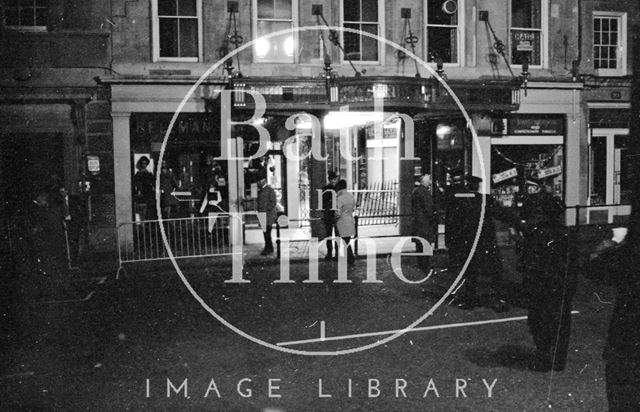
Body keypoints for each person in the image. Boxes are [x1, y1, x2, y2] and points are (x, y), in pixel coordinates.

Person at [518, 178, 573, 372]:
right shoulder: (566, 234)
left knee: (540, 321)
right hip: (561, 286)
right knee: (560, 322)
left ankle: (543, 359)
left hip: (542, 286)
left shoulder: (538, 235)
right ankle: (558, 360)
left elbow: (531, 263)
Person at [586, 223, 640, 410]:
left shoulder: (632, 251)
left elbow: (595, 266)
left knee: (624, 394)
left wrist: (615, 240)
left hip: (629, 339)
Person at [454, 175, 504, 310]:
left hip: (470, 239)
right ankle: (497, 299)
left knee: (471, 271)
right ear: (478, 186)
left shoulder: (461, 200)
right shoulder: (486, 199)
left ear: (467, 185)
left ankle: (469, 301)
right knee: (494, 270)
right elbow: (500, 213)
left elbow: (455, 222)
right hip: (487, 238)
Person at [411, 174, 434, 273]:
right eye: (429, 180)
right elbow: (428, 208)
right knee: (426, 244)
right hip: (425, 222)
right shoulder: (425, 192)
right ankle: (426, 265)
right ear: (424, 181)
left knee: (419, 244)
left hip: (417, 222)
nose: (430, 181)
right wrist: (433, 218)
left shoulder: (415, 191)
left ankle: (420, 263)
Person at [334, 179, 356, 265]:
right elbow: (353, 208)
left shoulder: (339, 198)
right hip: (350, 220)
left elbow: (337, 212)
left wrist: (335, 219)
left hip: (341, 221)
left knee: (345, 241)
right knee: (346, 240)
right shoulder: (351, 196)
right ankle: (350, 258)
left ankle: (350, 258)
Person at [257, 173, 277, 255]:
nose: (258, 182)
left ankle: (268, 248)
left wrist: (264, 210)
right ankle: (269, 248)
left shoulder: (269, 190)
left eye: (260, 180)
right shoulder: (261, 190)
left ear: (264, 180)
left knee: (267, 233)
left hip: (268, 215)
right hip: (263, 214)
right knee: (265, 233)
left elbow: (273, 203)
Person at [322, 171, 339, 260]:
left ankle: (336, 254)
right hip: (329, 215)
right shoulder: (325, 189)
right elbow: (323, 203)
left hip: (335, 215)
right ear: (329, 180)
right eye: (332, 179)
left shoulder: (338, 189)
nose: (334, 181)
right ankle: (329, 253)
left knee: (336, 236)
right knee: (328, 235)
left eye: (335, 179)